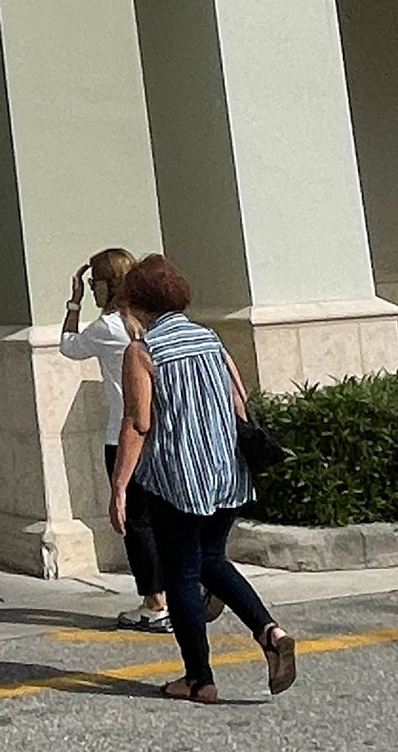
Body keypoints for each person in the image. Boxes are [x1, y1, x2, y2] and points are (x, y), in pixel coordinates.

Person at [109, 254, 297, 705]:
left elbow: (138, 423)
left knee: (182, 571)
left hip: (176, 478)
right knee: (212, 557)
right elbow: (239, 401)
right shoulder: (210, 339)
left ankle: (199, 679)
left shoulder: (143, 351)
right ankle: (270, 632)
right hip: (226, 472)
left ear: (137, 303)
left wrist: (119, 488)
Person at [60, 248, 176, 632]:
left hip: (124, 434)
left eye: (94, 283)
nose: (93, 289)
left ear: (108, 284)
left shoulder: (107, 327)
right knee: (166, 517)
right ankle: (181, 591)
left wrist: (73, 301)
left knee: (136, 522)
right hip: (165, 434)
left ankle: (154, 603)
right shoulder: (152, 323)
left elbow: (68, 346)